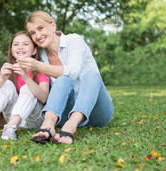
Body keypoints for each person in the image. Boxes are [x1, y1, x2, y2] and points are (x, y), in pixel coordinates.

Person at [17, 11, 114, 145]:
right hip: (65, 113)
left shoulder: (73, 40)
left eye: (40, 28)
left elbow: (73, 72)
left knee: (91, 75)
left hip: (97, 112)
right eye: (32, 33)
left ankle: (71, 126)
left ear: (53, 26)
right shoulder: (41, 57)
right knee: (63, 80)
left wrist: (37, 66)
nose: (37, 36)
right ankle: (48, 125)